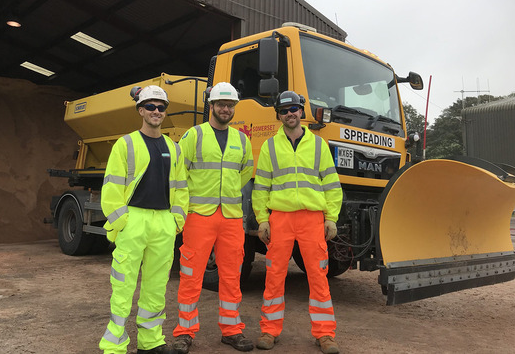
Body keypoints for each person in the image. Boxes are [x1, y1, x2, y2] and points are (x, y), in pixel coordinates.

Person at [99, 85, 189, 354]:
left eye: (161, 107)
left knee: (156, 286)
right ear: (140, 110)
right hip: (134, 220)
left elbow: (182, 188)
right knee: (123, 285)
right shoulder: (125, 144)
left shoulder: (173, 148)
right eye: (150, 106)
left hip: (163, 222)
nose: (156, 111)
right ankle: (115, 346)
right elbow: (111, 188)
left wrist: (176, 221)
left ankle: (151, 343)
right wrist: (122, 222)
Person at [251, 91, 343, 354]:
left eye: (294, 108)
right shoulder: (269, 146)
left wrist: (331, 218)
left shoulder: (319, 145)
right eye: (284, 110)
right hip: (279, 219)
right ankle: (269, 330)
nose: (290, 113)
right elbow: (261, 188)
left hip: (312, 219)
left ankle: (325, 334)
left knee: (318, 277)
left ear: (302, 111)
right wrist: (262, 220)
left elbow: (332, 185)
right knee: (274, 276)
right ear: (278, 115)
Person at [172, 82, 254, 353]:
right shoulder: (193, 136)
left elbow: (244, 173)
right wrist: (183, 208)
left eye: (230, 105)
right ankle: (185, 331)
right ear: (211, 105)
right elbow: (178, 174)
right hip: (199, 216)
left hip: (231, 218)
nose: (226, 109)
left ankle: (231, 330)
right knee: (191, 275)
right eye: (221, 104)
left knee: (232, 276)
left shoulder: (242, 140)